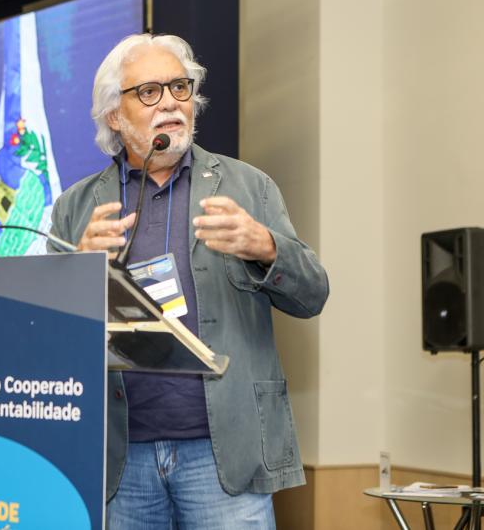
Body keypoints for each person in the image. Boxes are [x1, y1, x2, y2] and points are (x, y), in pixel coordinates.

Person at [48, 34, 329, 528]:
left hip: (225, 457)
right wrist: (77, 270)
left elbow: (313, 295)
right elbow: (46, 330)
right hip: (120, 459)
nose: (170, 103)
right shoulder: (77, 206)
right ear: (114, 115)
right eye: (149, 92)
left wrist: (266, 246)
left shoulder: (248, 186)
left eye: (180, 87)